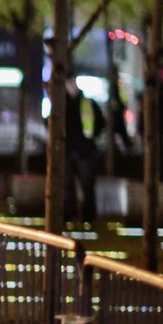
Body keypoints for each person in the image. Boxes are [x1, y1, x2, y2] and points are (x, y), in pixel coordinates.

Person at [61, 78, 105, 223]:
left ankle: (87, 216)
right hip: (71, 150)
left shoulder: (86, 103)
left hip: (83, 151)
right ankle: (71, 215)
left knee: (86, 186)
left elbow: (100, 122)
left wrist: (91, 140)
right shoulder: (62, 103)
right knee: (68, 187)